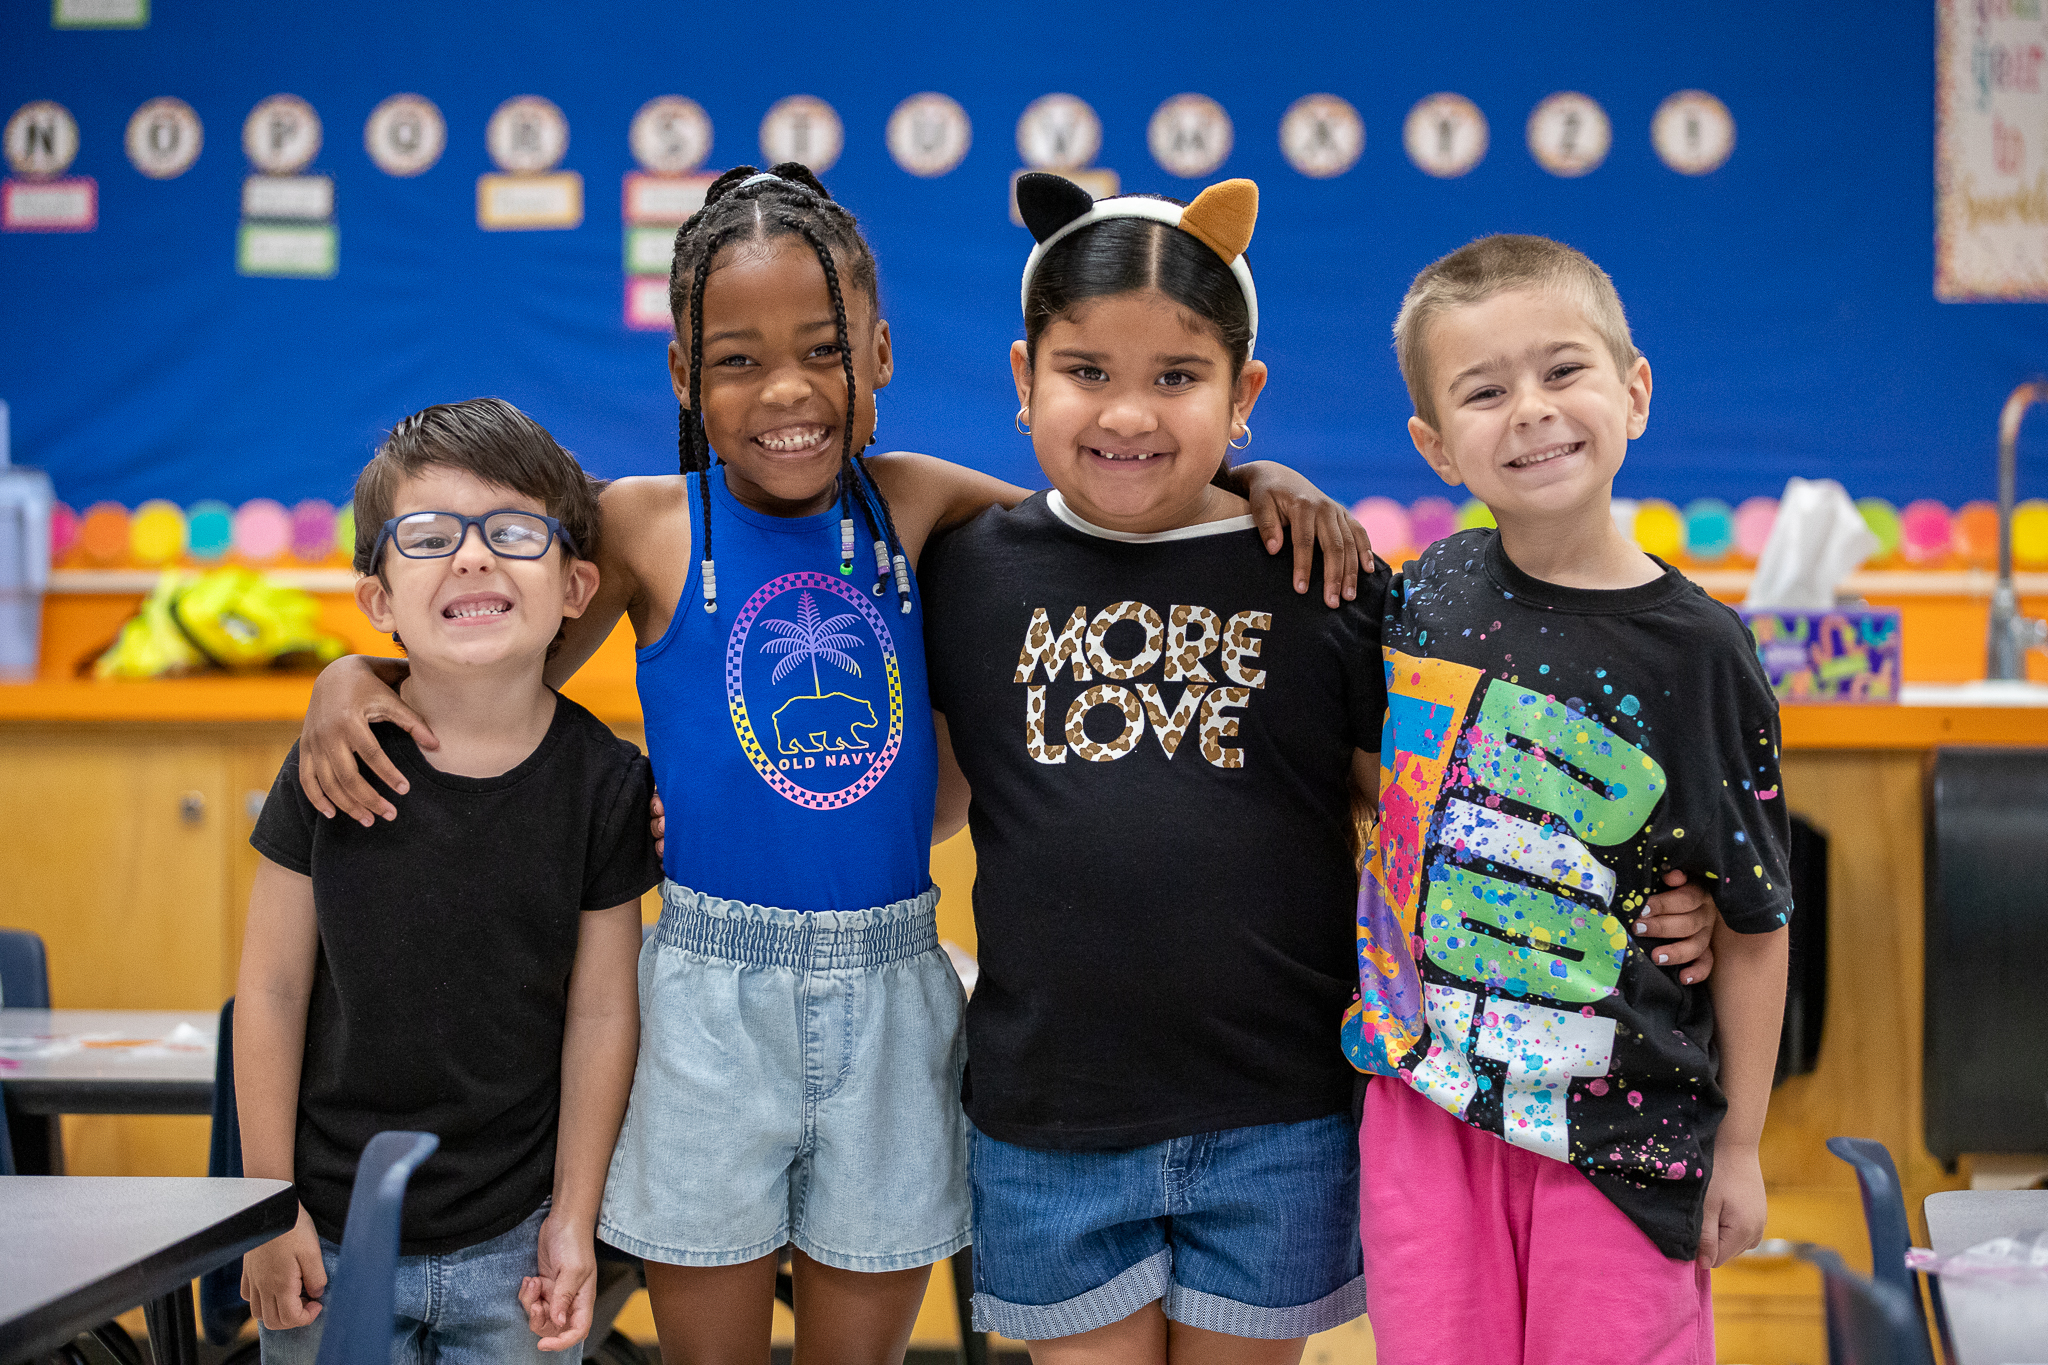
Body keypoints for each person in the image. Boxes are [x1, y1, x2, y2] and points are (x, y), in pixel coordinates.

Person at [287, 165, 1374, 1365]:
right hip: (705, 994)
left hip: (892, 992)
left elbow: (1115, 508)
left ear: (883, 353)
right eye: (737, 360)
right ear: (681, 379)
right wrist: (357, 679)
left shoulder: (912, 504)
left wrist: (1260, 479)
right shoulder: (645, 524)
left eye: (822, 350)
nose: (787, 391)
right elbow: (486, 637)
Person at [919, 178, 1723, 1365]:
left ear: (1242, 395)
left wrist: (1641, 886)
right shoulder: (968, 573)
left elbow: (1426, 813)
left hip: (1276, 1119)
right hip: (1052, 1122)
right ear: (1022, 376)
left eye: (1176, 378)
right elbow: (922, 797)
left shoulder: (1321, 580)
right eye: (1085, 371)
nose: (1128, 412)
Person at [1345, 234, 1793, 1365]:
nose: (1530, 411)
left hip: (1619, 1131)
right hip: (1424, 1106)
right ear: (1434, 445)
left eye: (1561, 371)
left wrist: (1738, 1148)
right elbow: (1391, 781)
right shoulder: (1423, 594)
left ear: (1632, 390)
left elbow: (1751, 924)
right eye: (1484, 392)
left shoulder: (1697, 653)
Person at [236, 398, 660, 1364]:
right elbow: (268, 989)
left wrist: (573, 1217)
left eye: (512, 532)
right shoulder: (329, 764)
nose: (472, 558)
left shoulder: (604, 784)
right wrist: (267, 1207)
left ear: (574, 585)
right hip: (327, 1235)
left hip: (516, 1244)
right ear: (379, 600)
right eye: (427, 538)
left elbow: (603, 1014)